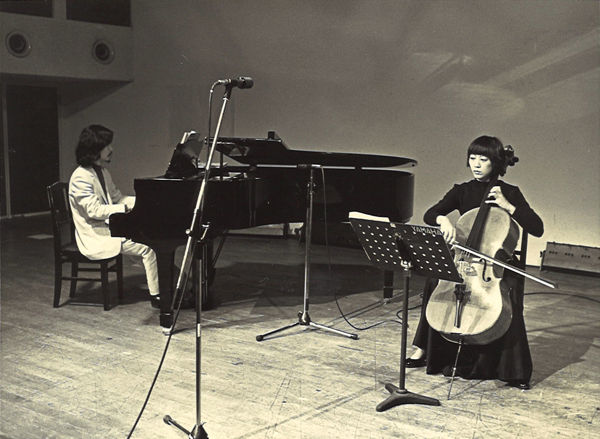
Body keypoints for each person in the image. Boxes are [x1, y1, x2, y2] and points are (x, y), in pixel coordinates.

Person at [406, 135, 544, 389]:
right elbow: (430, 213)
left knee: (509, 290)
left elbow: (537, 228)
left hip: (494, 264)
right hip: (465, 260)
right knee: (435, 281)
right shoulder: (462, 190)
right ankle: (423, 349)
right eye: (472, 158)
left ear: (496, 163)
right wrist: (442, 220)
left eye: (484, 159)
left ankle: (514, 370)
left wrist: (509, 206)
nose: (476, 164)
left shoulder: (510, 192)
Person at [68, 124, 160, 308]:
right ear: (95, 149)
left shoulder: (101, 172)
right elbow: (94, 211)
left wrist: (144, 201)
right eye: (107, 145)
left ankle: (171, 285)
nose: (111, 149)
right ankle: (158, 297)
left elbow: (117, 197)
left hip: (108, 229)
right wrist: (124, 208)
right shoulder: (80, 177)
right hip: (95, 236)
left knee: (152, 241)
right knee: (148, 248)